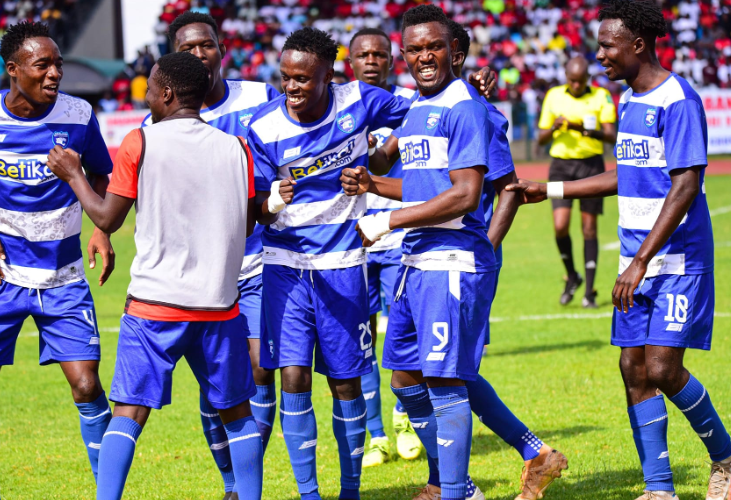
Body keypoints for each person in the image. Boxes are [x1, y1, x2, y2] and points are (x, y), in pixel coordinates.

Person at [507, 1, 731, 499]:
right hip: (637, 260)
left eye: (608, 45)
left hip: (676, 262)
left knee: (662, 369)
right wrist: (555, 190)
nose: (599, 54)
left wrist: (641, 260)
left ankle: (726, 459)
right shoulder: (628, 101)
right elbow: (625, 176)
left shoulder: (679, 99)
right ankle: (659, 489)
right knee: (632, 369)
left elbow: (686, 186)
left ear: (639, 44)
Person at [46, 51, 264, 500]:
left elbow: (107, 219)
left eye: (148, 87)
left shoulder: (140, 142)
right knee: (238, 413)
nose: (144, 95)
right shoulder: (235, 147)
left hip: (155, 307)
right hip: (219, 306)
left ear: (166, 93)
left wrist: (73, 175)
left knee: (128, 413)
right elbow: (245, 225)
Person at [247, 27, 413, 500]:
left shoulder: (360, 99)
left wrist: (383, 157)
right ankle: (309, 494)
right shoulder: (263, 129)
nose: (292, 88)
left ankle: (350, 491)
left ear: (329, 77)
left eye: (303, 78)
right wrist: (272, 204)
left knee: (344, 382)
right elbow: (253, 209)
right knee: (293, 376)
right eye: (285, 78)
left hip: (343, 264)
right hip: (284, 267)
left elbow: (424, 110)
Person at [342, 6, 496, 500]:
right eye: (415, 48)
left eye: (433, 46)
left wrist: (386, 218)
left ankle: (455, 490)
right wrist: (376, 184)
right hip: (415, 260)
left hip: (449, 261)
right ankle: (459, 482)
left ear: (452, 50)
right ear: (403, 55)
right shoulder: (415, 109)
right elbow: (423, 183)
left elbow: (466, 193)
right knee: (405, 377)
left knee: (446, 383)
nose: (424, 56)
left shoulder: (464, 106)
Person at [143, 12, 280, 499]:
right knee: (214, 386)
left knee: (262, 368)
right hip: (199, 275)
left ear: (222, 48)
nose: (199, 53)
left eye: (206, 44)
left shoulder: (260, 97)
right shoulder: (153, 121)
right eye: (188, 47)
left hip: (259, 261)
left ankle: (247, 484)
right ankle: (231, 485)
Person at [0, 21, 115, 483]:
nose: (54, 74)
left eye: (58, 64)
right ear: (13, 69)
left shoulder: (78, 114)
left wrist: (102, 232)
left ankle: (109, 488)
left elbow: (103, 176)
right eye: (41, 64)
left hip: (63, 274)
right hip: (5, 275)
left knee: (87, 384)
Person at [347, 26, 422, 469]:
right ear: (349, 62)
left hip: (397, 238)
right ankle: (376, 436)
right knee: (362, 342)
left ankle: (404, 421)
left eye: (380, 54)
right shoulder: (335, 106)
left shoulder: (412, 103)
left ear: (391, 61)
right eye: (363, 54)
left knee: (399, 333)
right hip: (352, 242)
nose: (372, 60)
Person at [537, 55, 617, 308]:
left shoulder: (600, 96)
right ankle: (572, 275)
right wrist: (555, 128)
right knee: (560, 225)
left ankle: (589, 292)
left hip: (591, 165)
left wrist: (584, 129)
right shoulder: (553, 96)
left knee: (589, 228)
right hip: (561, 165)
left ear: (587, 79)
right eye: (571, 80)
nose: (575, 85)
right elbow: (540, 139)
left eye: (580, 81)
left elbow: (610, 136)